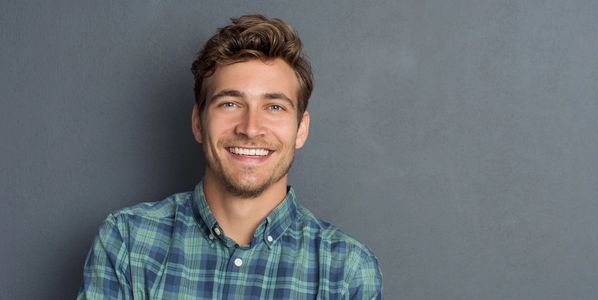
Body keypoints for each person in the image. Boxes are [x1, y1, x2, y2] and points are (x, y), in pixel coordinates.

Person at [77, 14, 382, 299]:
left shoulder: (347, 271)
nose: (250, 128)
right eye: (230, 104)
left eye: (274, 107)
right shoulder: (129, 242)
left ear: (301, 129)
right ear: (198, 122)